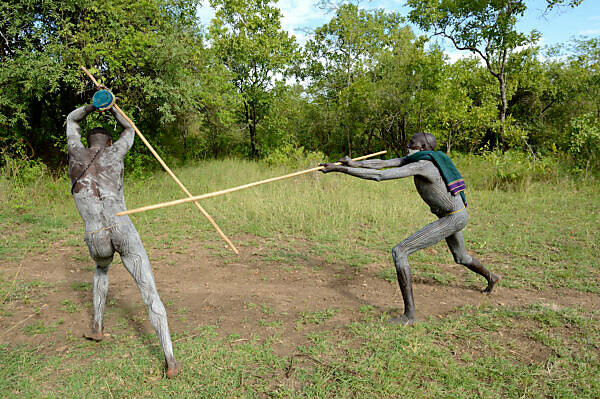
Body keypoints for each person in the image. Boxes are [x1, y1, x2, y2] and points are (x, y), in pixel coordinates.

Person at [319, 132, 500, 325]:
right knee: (461, 257)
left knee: (400, 251)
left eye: (411, 142)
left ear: (422, 148)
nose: (407, 144)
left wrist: (341, 171)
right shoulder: (416, 158)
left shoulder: (423, 165)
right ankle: (492, 277)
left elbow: (381, 175)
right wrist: (352, 163)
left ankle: (409, 316)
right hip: (455, 214)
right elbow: (382, 163)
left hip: (453, 217)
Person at [66, 97, 182, 378]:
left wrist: (93, 105)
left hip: (95, 235)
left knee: (101, 267)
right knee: (149, 291)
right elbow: (129, 129)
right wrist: (112, 105)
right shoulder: (115, 152)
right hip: (122, 228)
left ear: (88, 141)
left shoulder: (75, 154)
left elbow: (71, 120)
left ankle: (97, 326)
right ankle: (170, 359)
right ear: (107, 142)